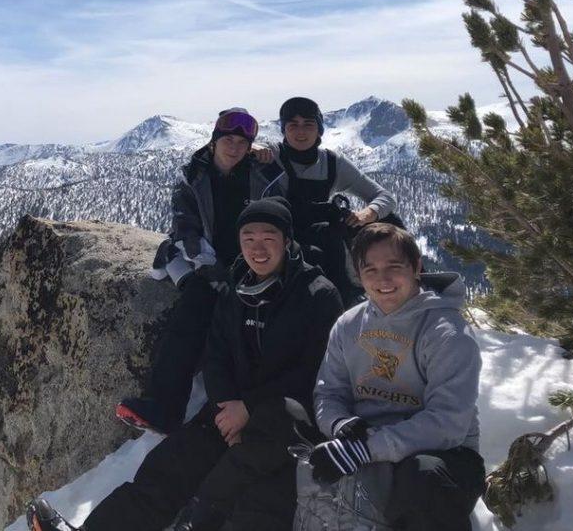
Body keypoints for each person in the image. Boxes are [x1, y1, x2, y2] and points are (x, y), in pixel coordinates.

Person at [28, 198, 343, 531]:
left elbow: (316, 372)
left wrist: (249, 410)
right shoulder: (238, 287)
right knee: (166, 468)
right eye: (248, 238)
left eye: (268, 237)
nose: (258, 247)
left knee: (224, 499)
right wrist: (228, 411)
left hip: (286, 421)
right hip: (227, 411)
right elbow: (216, 354)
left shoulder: (317, 295)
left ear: (287, 240)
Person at [309, 223, 484, 531]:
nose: (383, 280)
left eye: (394, 266)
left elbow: (448, 423)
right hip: (364, 441)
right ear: (358, 274)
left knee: (422, 479)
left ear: (416, 267)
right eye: (371, 270)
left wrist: (366, 449)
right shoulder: (348, 325)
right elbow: (329, 392)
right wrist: (339, 424)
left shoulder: (447, 332)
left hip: (442, 454)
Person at [118, 108, 276, 435]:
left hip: (255, 261)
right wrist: (209, 267)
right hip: (211, 261)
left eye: (242, 142)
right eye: (227, 139)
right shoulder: (193, 177)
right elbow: (186, 228)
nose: (234, 147)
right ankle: (164, 407)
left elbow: (281, 207)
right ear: (215, 140)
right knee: (191, 313)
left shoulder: (262, 174)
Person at [263, 96, 397, 306]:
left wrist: (367, 214)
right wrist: (252, 149)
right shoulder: (271, 155)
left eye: (308, 124)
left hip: (323, 235)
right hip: (281, 238)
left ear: (319, 129)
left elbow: (385, 197)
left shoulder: (333, 163)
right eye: (293, 125)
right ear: (283, 130)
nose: (301, 131)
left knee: (391, 221)